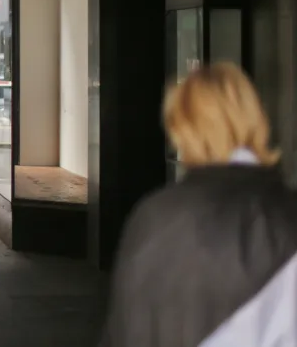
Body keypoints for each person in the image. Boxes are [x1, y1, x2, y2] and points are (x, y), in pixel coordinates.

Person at [100, 62, 297, 347]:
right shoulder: (287, 218)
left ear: (181, 129)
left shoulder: (154, 217)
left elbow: (124, 329)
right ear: (256, 119)